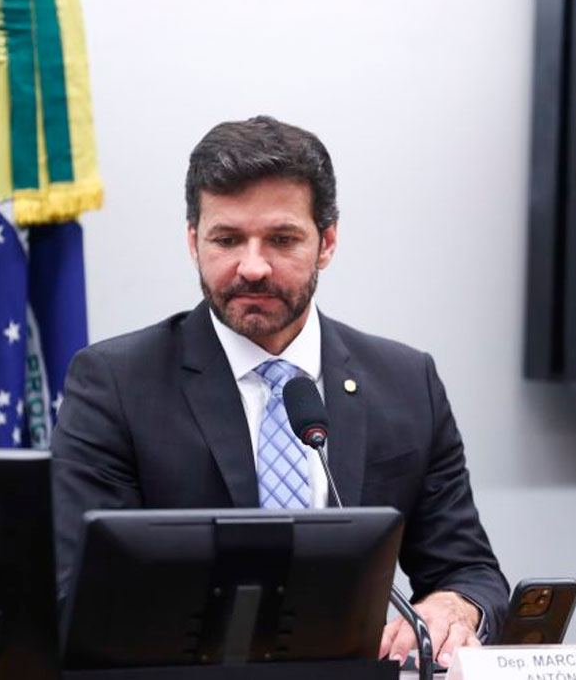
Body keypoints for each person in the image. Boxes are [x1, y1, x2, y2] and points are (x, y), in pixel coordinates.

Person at [52, 115, 509, 666]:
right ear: (193, 241)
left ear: (327, 243)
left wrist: (454, 609)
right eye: (226, 239)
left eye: (282, 239)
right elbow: (78, 596)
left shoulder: (407, 383)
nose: (252, 266)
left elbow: (469, 570)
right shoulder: (115, 384)